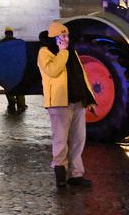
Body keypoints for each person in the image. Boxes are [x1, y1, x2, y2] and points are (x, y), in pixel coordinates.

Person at [37, 21, 97, 188]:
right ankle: (60, 171)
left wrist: (89, 99)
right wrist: (62, 52)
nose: (66, 39)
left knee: (78, 139)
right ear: (55, 37)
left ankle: (76, 174)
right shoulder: (45, 51)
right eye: (63, 36)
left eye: (67, 36)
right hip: (59, 103)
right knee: (61, 139)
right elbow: (52, 70)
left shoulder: (72, 51)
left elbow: (81, 75)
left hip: (77, 101)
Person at [0, 27, 27, 112]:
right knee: (19, 86)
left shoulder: (1, 42)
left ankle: (12, 103)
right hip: (17, 68)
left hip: (6, 69)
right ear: (12, 33)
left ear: (5, 34)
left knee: (8, 86)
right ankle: (21, 104)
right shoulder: (17, 42)